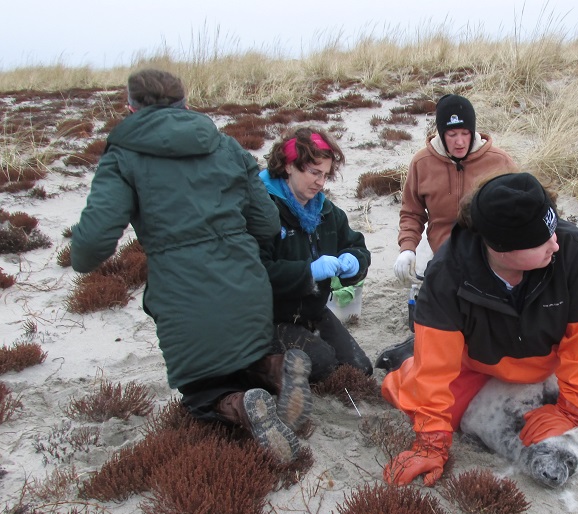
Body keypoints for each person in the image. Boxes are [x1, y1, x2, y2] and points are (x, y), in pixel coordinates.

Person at [71, 69, 311, 463]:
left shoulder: (123, 156)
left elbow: (92, 244)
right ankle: (276, 367)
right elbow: (267, 223)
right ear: (186, 103)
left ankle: (241, 405)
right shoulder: (226, 146)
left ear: (130, 108)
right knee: (245, 352)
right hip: (247, 285)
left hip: (182, 293)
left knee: (200, 390)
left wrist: (79, 257)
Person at [380, 172, 578, 486]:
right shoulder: (448, 272)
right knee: (425, 408)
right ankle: (407, 357)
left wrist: (571, 410)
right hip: (479, 362)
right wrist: (431, 443)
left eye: (553, 229)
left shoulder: (573, 250)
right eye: (541, 240)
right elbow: (434, 371)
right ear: (502, 250)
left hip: (555, 357)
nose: (555, 243)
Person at [259, 128, 373, 382]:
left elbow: (357, 246)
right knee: (322, 365)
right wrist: (307, 272)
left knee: (359, 369)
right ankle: (257, 367)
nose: (321, 183)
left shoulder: (326, 211)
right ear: (289, 166)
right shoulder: (262, 210)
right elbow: (255, 272)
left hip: (313, 311)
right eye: (313, 172)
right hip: (269, 318)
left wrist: (355, 261)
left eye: (325, 175)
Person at [393, 93, 517, 282]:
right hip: (443, 255)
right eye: (452, 135)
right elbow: (412, 213)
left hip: (490, 256)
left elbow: (519, 208)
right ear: (441, 134)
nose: (459, 141)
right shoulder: (421, 162)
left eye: (465, 133)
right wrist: (407, 248)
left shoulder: (499, 161)